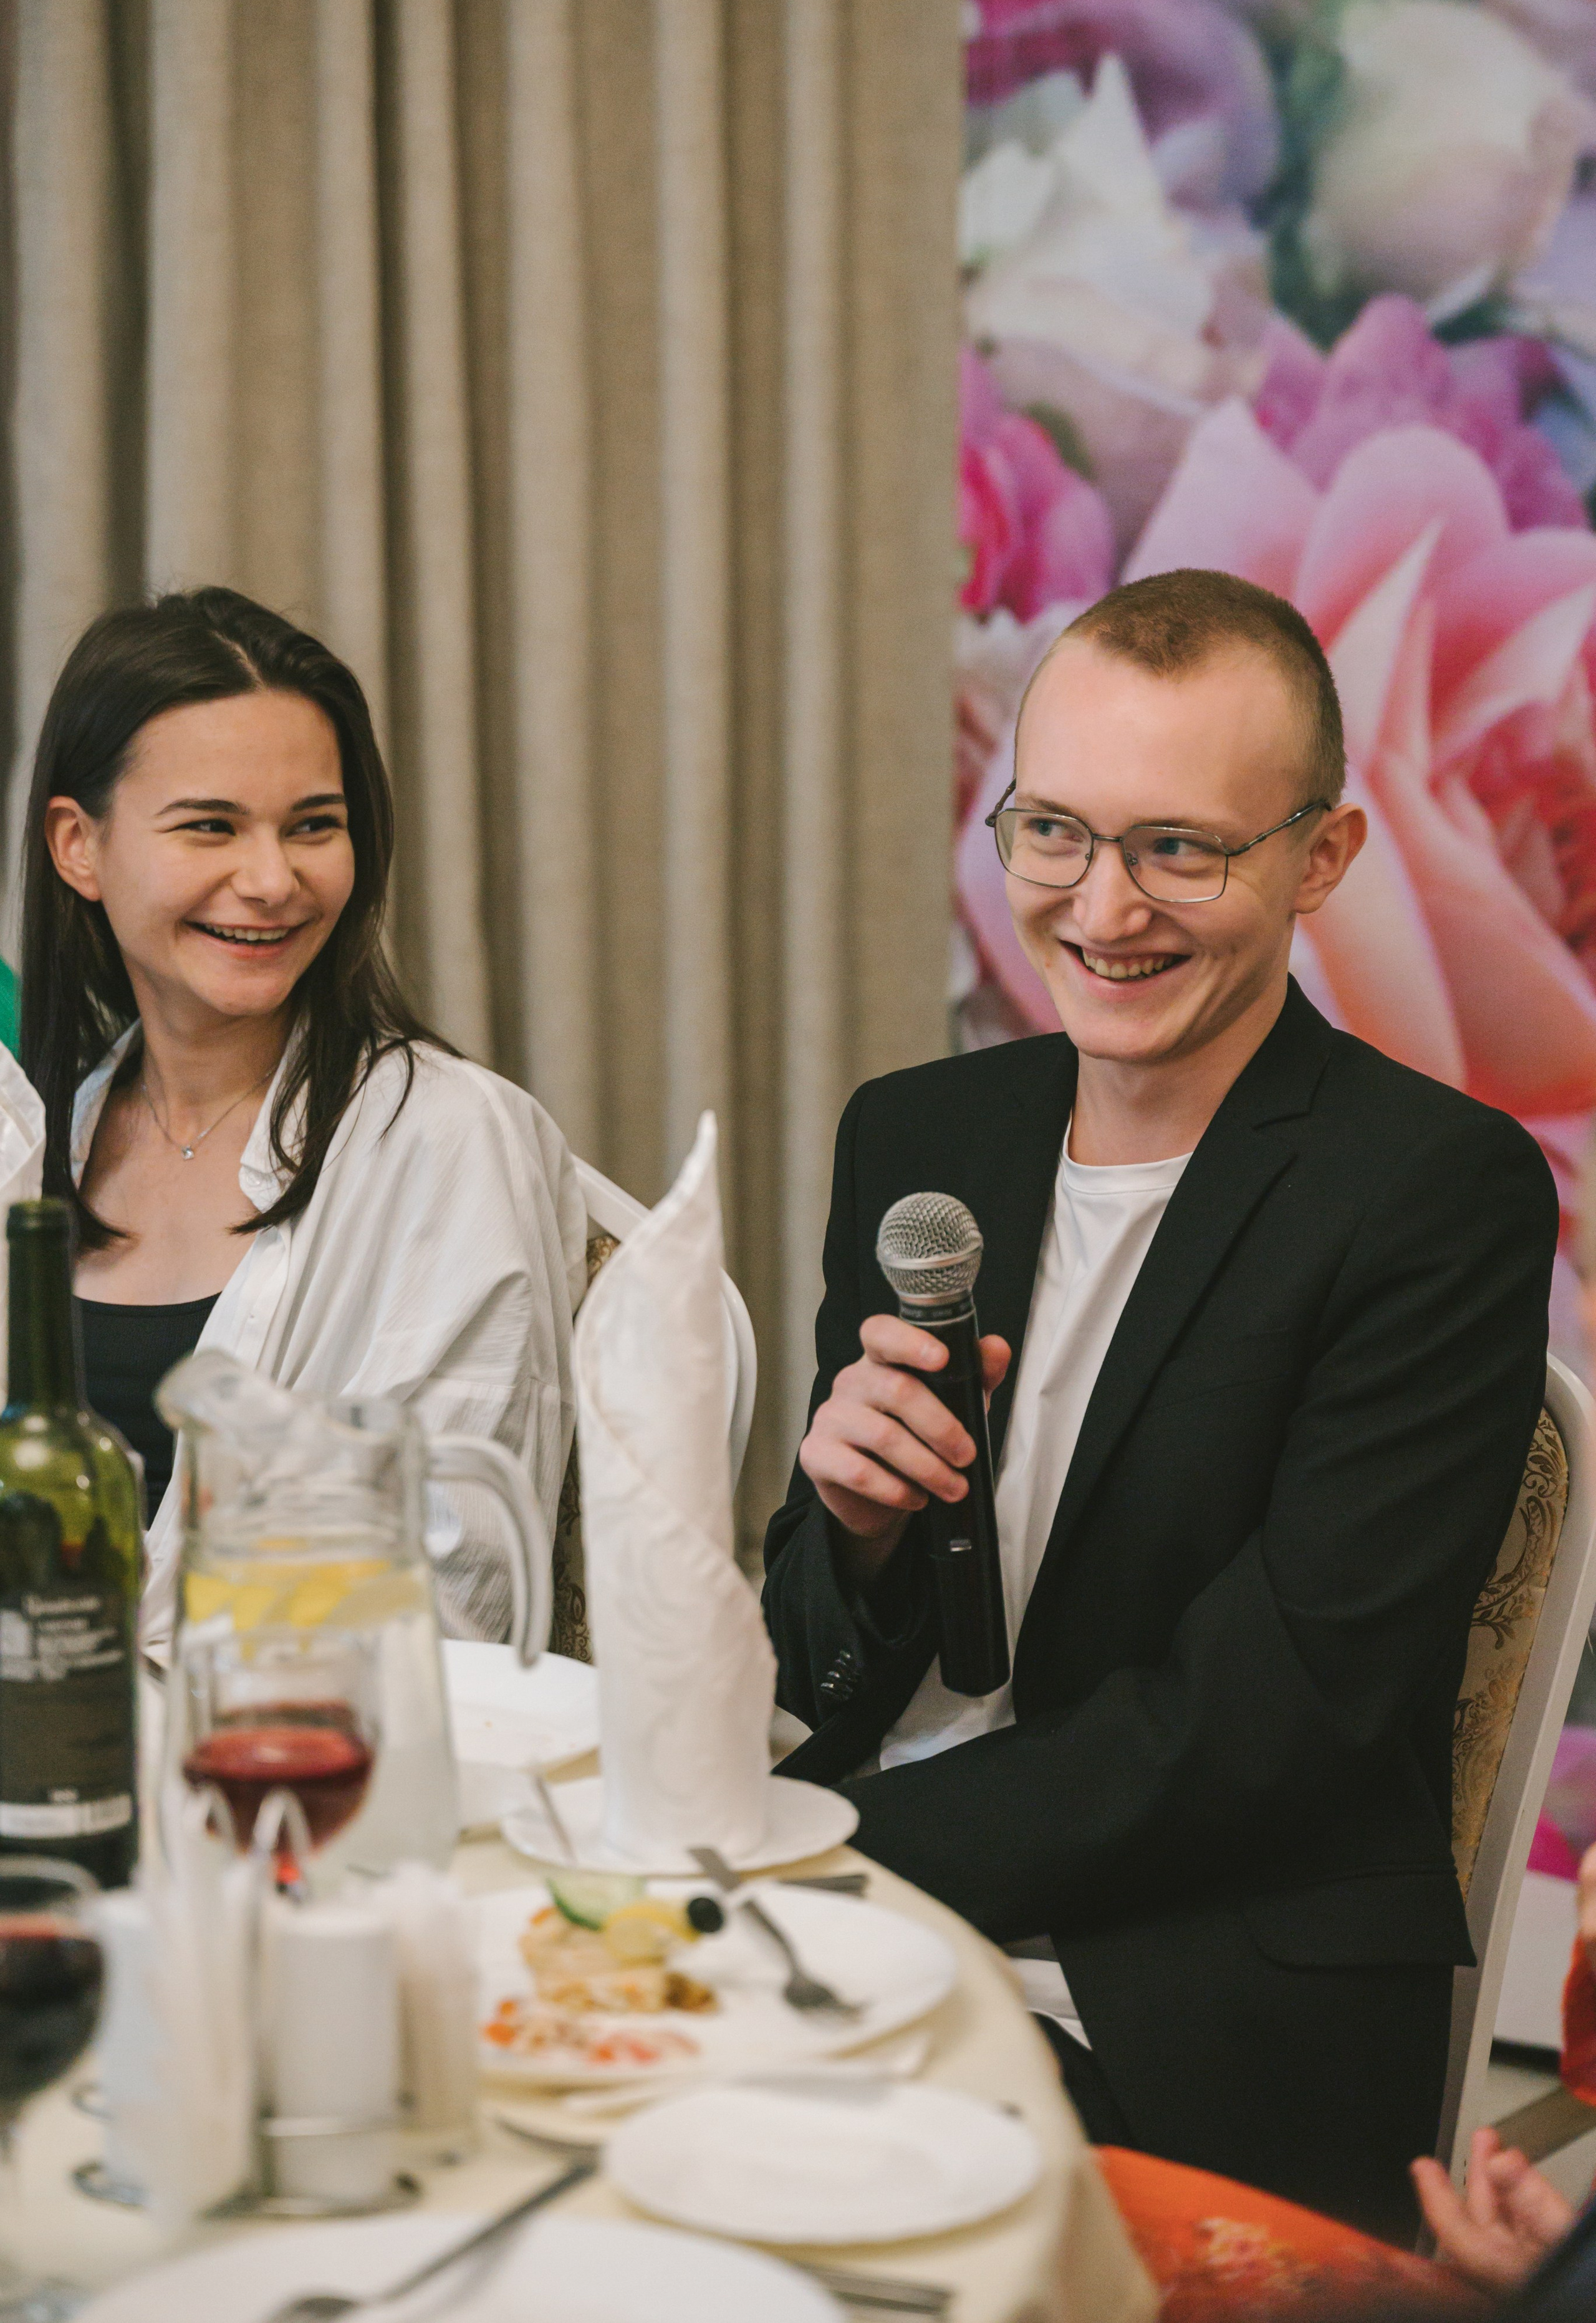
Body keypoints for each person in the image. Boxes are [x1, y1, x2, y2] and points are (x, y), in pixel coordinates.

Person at [764, 567, 1559, 2239]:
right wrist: (852, 1532)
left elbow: (1277, 1719)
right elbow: (814, 1653)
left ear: (1319, 860)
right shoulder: (918, 1135)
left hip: (1188, 1995)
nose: (1102, 907)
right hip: (871, 1913)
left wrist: (827, 1850)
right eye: (1053, 832)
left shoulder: (1431, 1192)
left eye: (1179, 849)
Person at [21, 586, 587, 1650]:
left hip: (295, 1740)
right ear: (78, 845)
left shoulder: (446, 1141)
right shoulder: (37, 1144)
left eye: (314, 826)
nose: (273, 879)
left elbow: (446, 1587)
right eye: (211, 826)